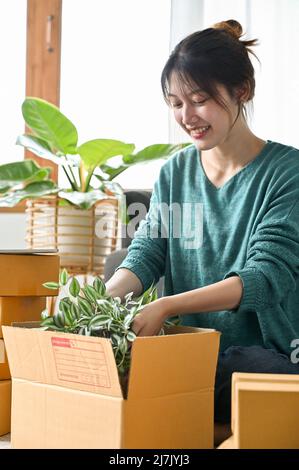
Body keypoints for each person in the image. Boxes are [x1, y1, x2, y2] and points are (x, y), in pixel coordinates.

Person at [106, 19, 299, 445]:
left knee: (242, 371)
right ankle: (215, 429)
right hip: (191, 356)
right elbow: (146, 252)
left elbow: (264, 279)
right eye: (175, 103)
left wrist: (166, 305)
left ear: (242, 90)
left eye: (199, 100)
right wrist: (103, 301)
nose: (186, 117)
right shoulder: (176, 171)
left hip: (269, 357)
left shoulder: (288, 173)